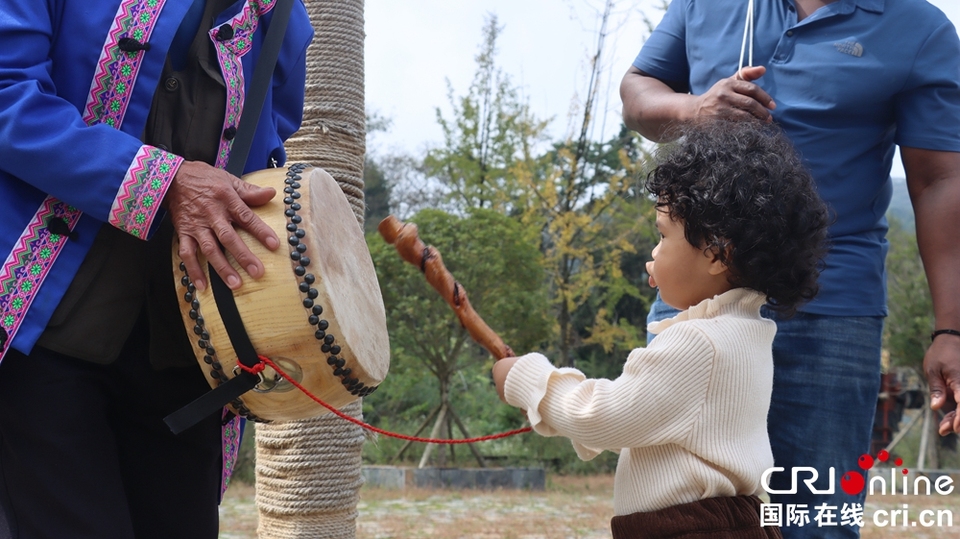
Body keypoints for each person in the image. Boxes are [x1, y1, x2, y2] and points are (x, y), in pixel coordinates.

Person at [620, 1, 960, 537]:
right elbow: (638, 90)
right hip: (693, 300)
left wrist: (951, 329)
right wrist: (694, 110)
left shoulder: (918, 28)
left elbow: (939, 181)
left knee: (816, 520)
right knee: (674, 514)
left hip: (830, 313)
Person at [0, 0, 313, 537]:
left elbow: (270, 143)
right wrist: (163, 182)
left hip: (191, 362)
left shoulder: (283, 15)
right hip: (43, 333)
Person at [493, 118, 829, 539]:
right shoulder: (747, 333)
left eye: (663, 236)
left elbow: (606, 416)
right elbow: (645, 420)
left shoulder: (697, 343)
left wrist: (528, 380)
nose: (653, 253)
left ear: (716, 253)